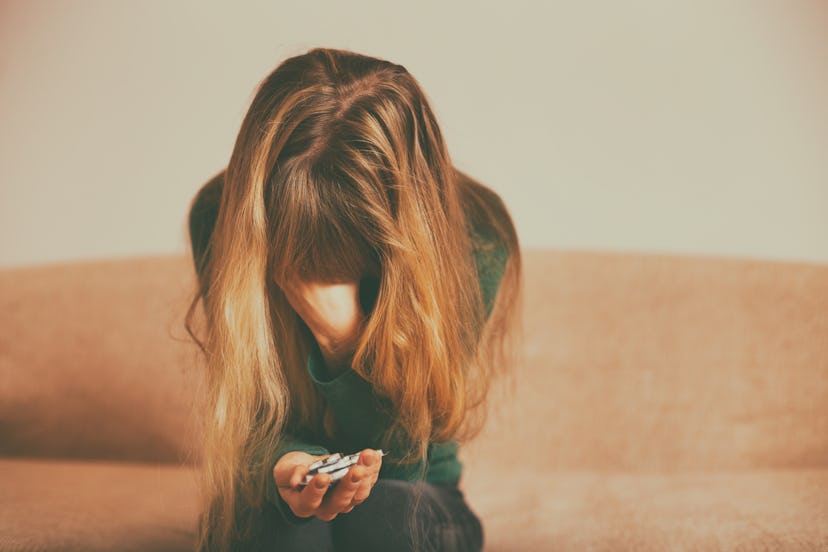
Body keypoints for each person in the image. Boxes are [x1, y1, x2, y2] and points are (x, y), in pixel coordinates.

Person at [184, 47, 523, 551]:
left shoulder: (475, 235)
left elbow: (408, 459)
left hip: (417, 492)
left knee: (383, 519)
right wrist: (285, 467)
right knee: (275, 532)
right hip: (279, 500)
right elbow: (247, 419)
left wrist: (341, 339)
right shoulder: (222, 214)